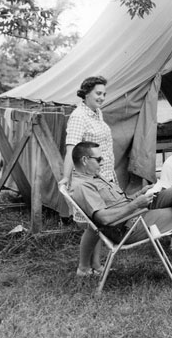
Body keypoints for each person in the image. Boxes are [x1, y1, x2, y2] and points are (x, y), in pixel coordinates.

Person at [70, 142, 172, 279]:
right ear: (85, 160)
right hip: (129, 225)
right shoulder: (83, 186)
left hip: (136, 212)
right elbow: (104, 218)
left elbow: (118, 202)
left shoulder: (94, 177)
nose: (102, 162)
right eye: (98, 159)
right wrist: (136, 204)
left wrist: (138, 194)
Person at [59, 76, 114, 277]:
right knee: (94, 224)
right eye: (98, 93)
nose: (102, 97)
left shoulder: (96, 113)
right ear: (86, 93)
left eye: (104, 94)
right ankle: (83, 268)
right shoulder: (78, 116)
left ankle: (96, 265)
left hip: (103, 177)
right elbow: (71, 149)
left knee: (100, 224)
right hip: (87, 179)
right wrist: (66, 178)